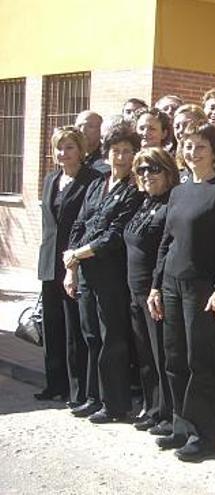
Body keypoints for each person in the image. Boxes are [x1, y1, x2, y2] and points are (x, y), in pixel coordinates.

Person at [147, 123, 215, 462]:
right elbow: (166, 242)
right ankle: (180, 426)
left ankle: (203, 435)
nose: (193, 152)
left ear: (214, 151)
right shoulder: (179, 192)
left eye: (201, 146)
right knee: (173, 358)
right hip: (171, 283)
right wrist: (155, 284)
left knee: (201, 362)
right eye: (188, 146)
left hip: (202, 289)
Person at [64, 124, 143, 423]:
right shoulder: (98, 184)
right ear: (107, 154)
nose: (120, 157)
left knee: (112, 339)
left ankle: (115, 404)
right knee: (91, 335)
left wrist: (78, 254)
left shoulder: (133, 190)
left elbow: (114, 235)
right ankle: (93, 397)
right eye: (115, 151)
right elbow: (79, 224)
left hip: (111, 274)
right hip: (85, 271)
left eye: (126, 151)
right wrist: (70, 265)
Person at [36, 127, 103, 404]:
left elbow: (90, 223)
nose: (63, 154)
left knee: (74, 329)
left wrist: (74, 262)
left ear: (81, 149)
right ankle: (55, 384)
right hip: (49, 262)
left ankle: (77, 391)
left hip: (75, 263)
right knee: (51, 328)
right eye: (59, 148)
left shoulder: (93, 180)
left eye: (70, 148)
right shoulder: (52, 179)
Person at [124, 147, 180, 434]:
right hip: (134, 291)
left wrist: (155, 288)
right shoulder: (143, 202)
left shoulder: (172, 204)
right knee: (145, 356)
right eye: (142, 170)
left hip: (155, 292)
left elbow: (166, 250)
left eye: (154, 169)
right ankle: (153, 408)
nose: (147, 175)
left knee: (162, 356)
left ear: (168, 171)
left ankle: (170, 414)